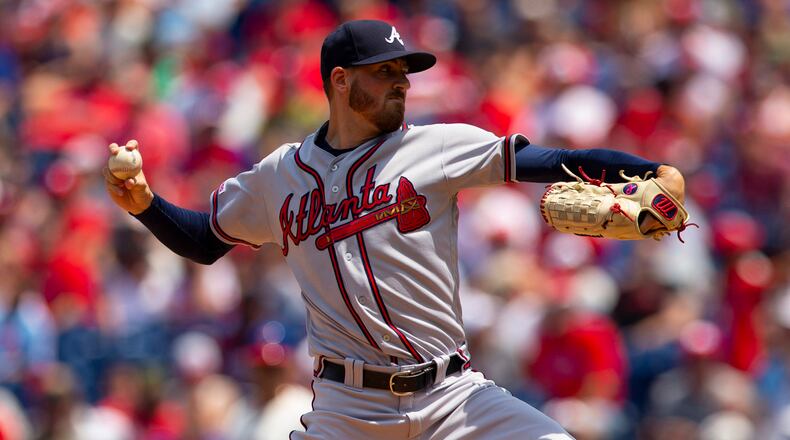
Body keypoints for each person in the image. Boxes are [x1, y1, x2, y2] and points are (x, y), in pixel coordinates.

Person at [104, 19, 685, 439]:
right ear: (339, 81)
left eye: (404, 71)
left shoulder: (436, 147)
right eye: (384, 73)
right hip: (346, 407)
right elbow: (205, 241)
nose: (402, 82)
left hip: (453, 395)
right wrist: (145, 203)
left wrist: (649, 172)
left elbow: (551, 159)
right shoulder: (280, 175)